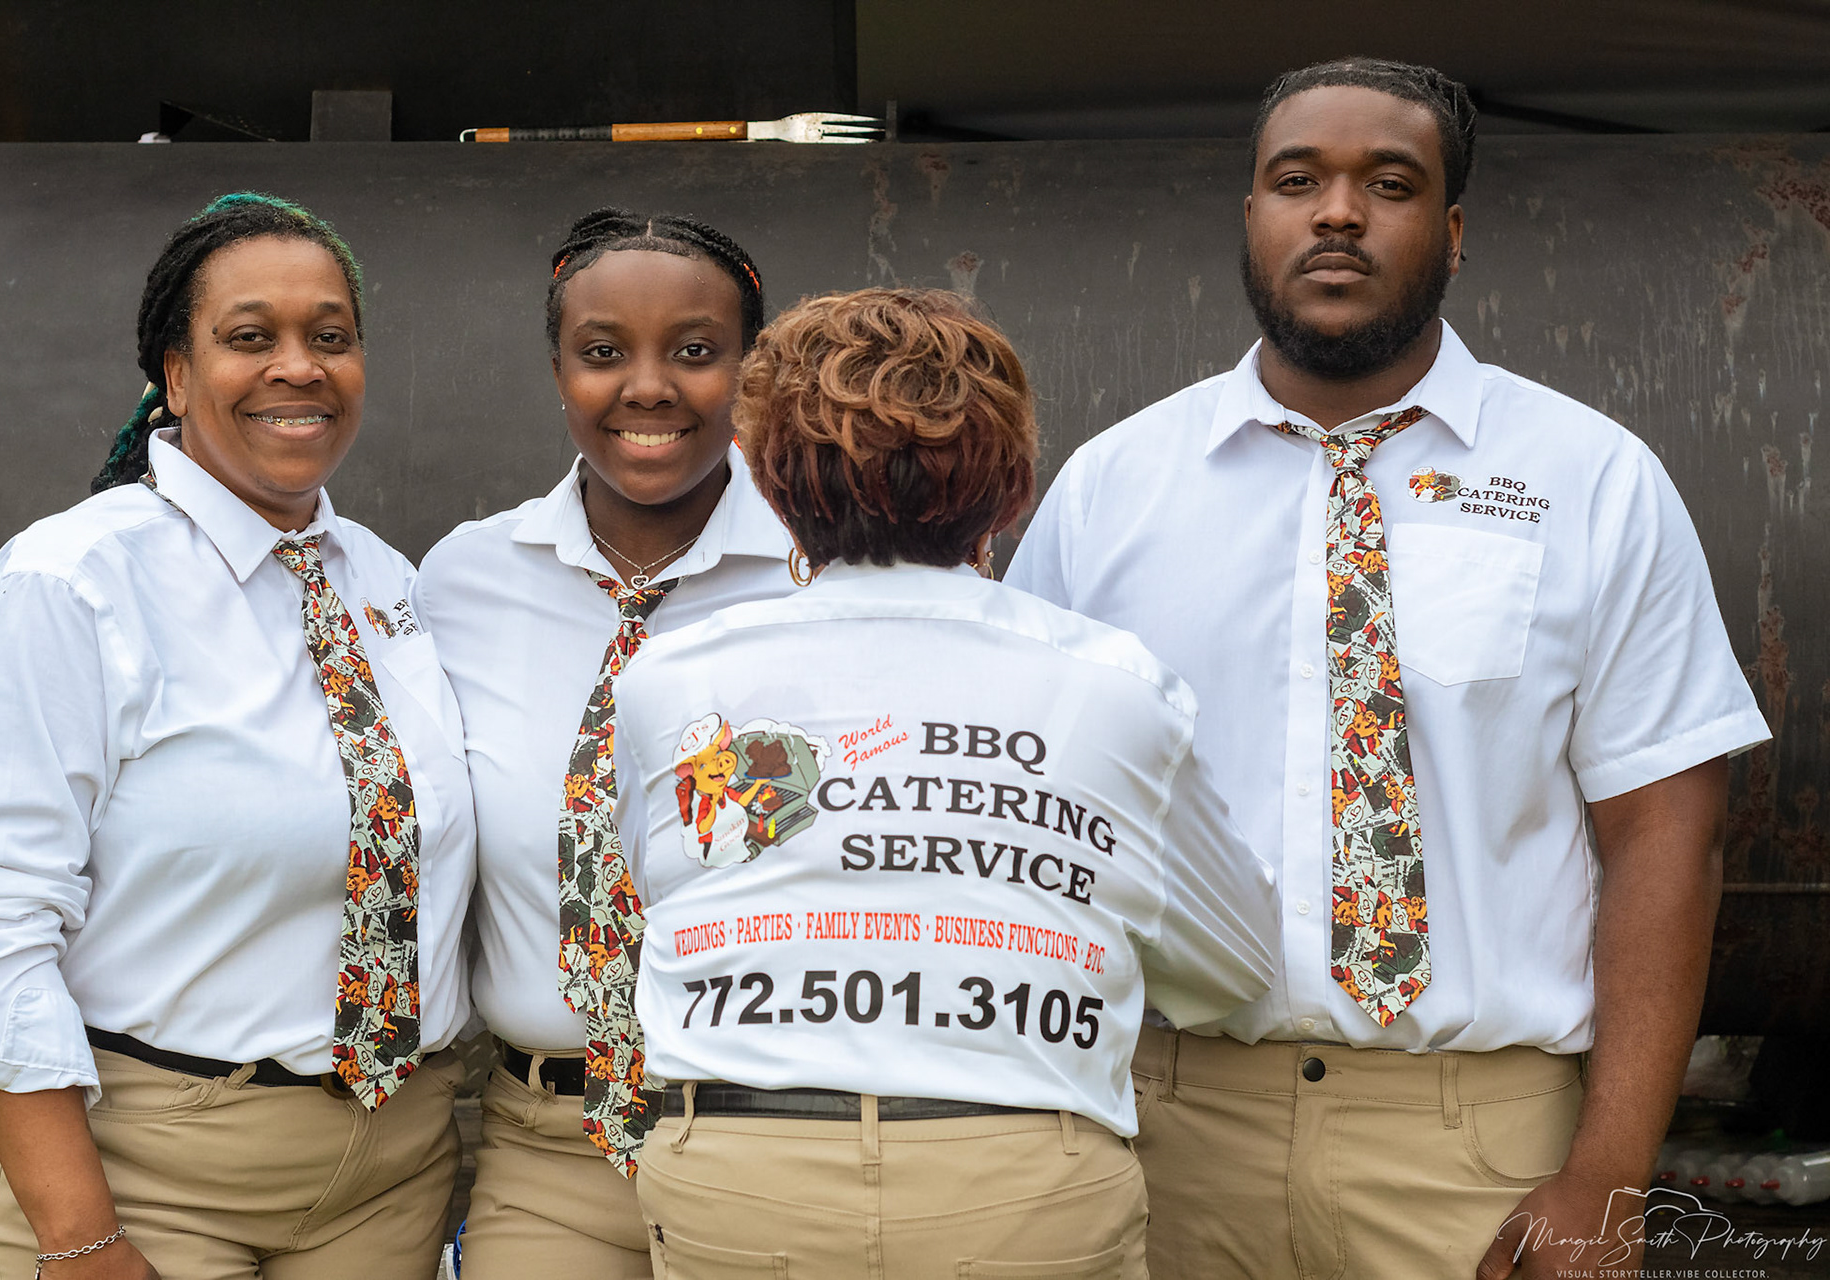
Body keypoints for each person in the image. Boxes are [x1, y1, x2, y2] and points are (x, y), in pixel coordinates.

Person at [1005, 58, 1771, 1280]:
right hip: (1167, 1129)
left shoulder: (1592, 478)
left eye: (1391, 184)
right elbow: (1025, 811)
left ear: (1453, 232)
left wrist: (1612, 1175)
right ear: (1251, 215)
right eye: (1296, 180)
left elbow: (1667, 833)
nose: (1338, 212)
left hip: (1476, 1151)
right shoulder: (1112, 489)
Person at [606, 287, 1281, 1277]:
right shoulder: (1117, 685)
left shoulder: (668, 679)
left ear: (766, 475)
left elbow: (658, 893)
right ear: (1012, 487)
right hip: (1025, 1183)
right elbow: (1238, 971)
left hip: (743, 1173)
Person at [0, 193, 477, 1280]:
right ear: (175, 376)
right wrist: (79, 1234)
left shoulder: (387, 581)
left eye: (331, 336)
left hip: (389, 1179)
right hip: (141, 1172)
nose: (299, 366)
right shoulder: (71, 580)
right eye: (250, 336)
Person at [417, 208, 794, 1279]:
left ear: (750, 371)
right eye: (602, 352)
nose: (648, 387)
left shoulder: (820, 573)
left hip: (778, 1132)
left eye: (695, 350)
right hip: (551, 1147)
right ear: (558, 371)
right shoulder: (463, 580)